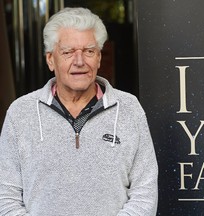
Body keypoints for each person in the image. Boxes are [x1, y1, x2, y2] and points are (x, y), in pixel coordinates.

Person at [0, 7, 158, 216]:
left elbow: (144, 193)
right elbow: (6, 197)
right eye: (67, 52)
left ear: (99, 58)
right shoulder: (20, 113)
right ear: (50, 60)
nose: (80, 61)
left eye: (89, 51)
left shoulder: (129, 108)